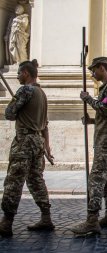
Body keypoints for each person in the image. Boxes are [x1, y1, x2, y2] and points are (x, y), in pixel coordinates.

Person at [0, 61, 54, 237]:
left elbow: (9, 114)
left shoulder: (25, 91)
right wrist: (47, 147)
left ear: (25, 73)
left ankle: (6, 222)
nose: (17, 76)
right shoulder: (42, 93)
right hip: (37, 141)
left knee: (14, 181)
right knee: (36, 179)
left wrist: (14, 104)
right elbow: (45, 125)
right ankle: (46, 217)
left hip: (24, 142)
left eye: (18, 73)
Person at [70, 57, 107, 235]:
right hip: (103, 137)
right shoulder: (105, 88)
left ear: (102, 68)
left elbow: (106, 109)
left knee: (95, 178)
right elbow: (105, 115)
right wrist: (92, 120)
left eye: (94, 70)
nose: (92, 74)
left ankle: (92, 219)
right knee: (106, 179)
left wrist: (88, 99)